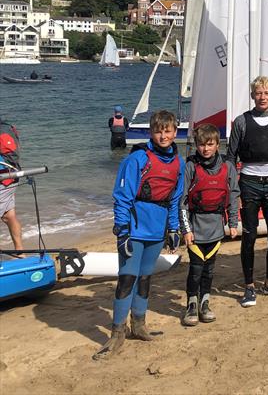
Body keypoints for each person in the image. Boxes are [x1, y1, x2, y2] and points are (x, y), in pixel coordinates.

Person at [94, 110, 184, 360]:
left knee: (145, 279)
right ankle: (116, 334)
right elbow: (122, 197)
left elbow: (175, 199)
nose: (163, 135)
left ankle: (139, 325)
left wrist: (174, 228)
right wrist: (122, 231)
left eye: (168, 131)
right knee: (126, 280)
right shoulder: (136, 159)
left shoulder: (179, 163)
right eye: (158, 131)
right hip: (133, 231)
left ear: (175, 132)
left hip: (157, 231)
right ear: (151, 133)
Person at [226, 76, 268, 306]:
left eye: (267, 93)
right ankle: (249, 287)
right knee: (249, 237)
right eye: (258, 93)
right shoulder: (241, 122)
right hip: (249, 185)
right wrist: (235, 191)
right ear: (252, 95)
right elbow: (231, 158)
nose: (262, 97)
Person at [179, 124, 239, 326]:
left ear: (217, 144)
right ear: (196, 145)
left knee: (209, 270)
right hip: (196, 229)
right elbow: (183, 201)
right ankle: (192, 304)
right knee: (196, 269)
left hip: (215, 229)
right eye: (201, 145)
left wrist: (232, 223)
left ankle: (205, 303)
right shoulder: (190, 167)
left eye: (210, 144)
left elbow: (233, 195)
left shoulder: (227, 166)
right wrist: (185, 230)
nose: (205, 149)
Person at [0, 117, 23, 251]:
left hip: (4, 179)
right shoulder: (6, 128)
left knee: (9, 216)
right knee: (9, 216)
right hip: (10, 178)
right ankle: (20, 252)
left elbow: (10, 156)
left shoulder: (3, 131)